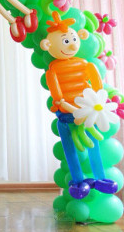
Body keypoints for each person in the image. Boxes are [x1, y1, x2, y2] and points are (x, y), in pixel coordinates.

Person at [41, 11, 117, 199]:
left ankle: (100, 178)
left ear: (80, 37)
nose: (72, 45)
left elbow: (97, 84)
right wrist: (64, 104)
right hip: (67, 116)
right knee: (70, 150)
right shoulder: (53, 70)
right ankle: (77, 180)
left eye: (73, 39)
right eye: (66, 41)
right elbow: (56, 93)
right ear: (48, 45)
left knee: (94, 144)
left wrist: (97, 99)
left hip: (87, 112)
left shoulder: (84, 64)